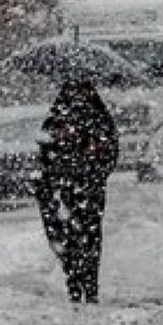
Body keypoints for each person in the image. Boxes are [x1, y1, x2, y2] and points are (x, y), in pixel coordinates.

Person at [35, 78, 119, 303]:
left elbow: (111, 152)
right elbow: (44, 153)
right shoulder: (56, 117)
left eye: (83, 89)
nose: (79, 94)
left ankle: (90, 286)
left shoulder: (100, 117)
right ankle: (73, 281)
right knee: (65, 238)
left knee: (89, 237)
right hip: (61, 189)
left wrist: (95, 162)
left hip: (89, 188)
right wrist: (58, 143)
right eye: (74, 89)